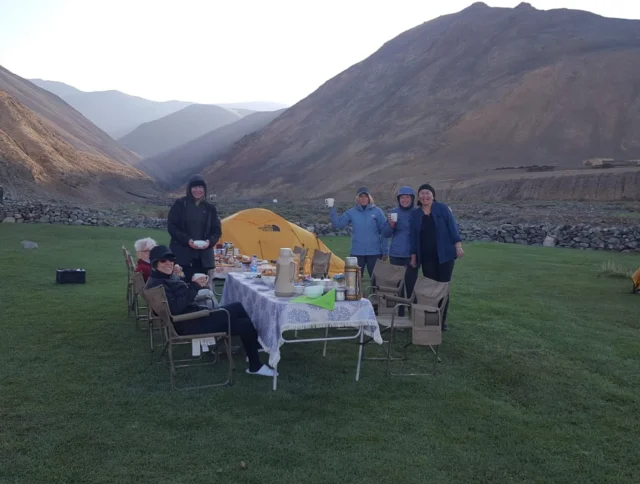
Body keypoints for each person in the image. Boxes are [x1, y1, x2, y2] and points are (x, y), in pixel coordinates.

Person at [145, 245, 275, 377]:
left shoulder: (159, 278)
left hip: (190, 318)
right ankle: (254, 357)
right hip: (189, 323)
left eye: (171, 260)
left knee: (241, 317)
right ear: (154, 263)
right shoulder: (159, 284)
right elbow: (176, 308)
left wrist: (186, 281)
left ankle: (253, 353)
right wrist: (195, 286)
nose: (169, 264)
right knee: (241, 316)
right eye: (163, 261)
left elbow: (178, 298)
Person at [409, 183, 464, 330]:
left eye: (428, 193)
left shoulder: (442, 208)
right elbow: (413, 237)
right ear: (418, 197)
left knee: (443, 287)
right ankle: (432, 319)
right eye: (422, 194)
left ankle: (442, 320)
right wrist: (413, 256)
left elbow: (452, 226)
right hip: (427, 258)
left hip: (445, 255)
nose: (425, 196)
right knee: (431, 289)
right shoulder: (415, 214)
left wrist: (458, 246)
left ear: (433, 195)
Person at [167, 174, 222, 284]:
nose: (198, 190)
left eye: (200, 187)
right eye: (194, 187)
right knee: (183, 288)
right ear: (189, 189)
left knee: (201, 287)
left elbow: (217, 231)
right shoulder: (180, 204)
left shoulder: (210, 208)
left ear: (204, 189)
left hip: (203, 258)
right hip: (183, 257)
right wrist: (187, 240)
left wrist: (209, 242)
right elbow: (172, 227)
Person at [329, 187, 387, 278]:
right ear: (357, 199)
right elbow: (338, 224)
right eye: (361, 196)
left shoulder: (377, 211)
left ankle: (376, 293)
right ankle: (358, 293)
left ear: (369, 198)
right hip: (357, 252)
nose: (363, 199)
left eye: (365, 196)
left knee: (377, 279)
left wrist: (385, 251)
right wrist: (331, 208)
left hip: (374, 252)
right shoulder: (351, 212)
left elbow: (384, 232)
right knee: (354, 281)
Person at [381, 186, 418, 314]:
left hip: (412, 255)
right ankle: (400, 313)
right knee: (397, 286)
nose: (405, 199)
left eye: (408, 197)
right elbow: (385, 234)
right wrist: (391, 226)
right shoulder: (393, 212)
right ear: (399, 199)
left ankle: (413, 314)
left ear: (412, 199)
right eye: (402, 197)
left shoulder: (417, 212)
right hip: (396, 253)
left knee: (411, 285)